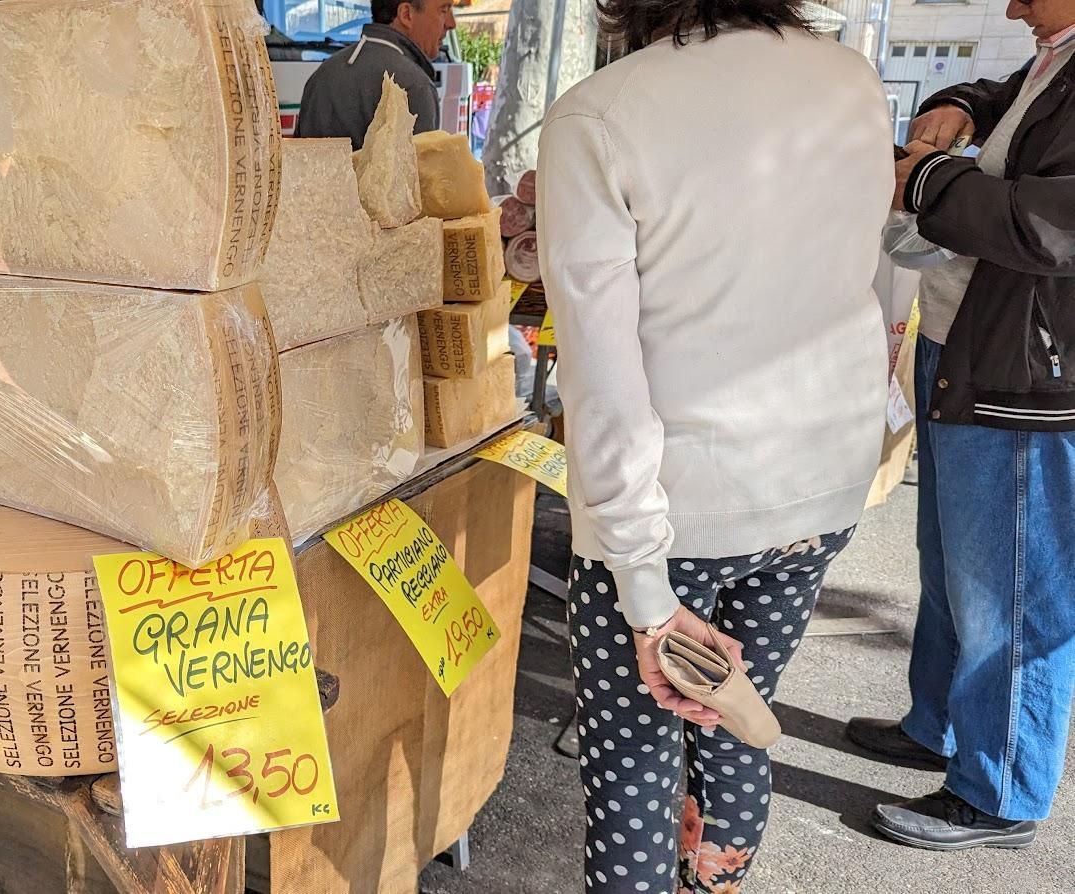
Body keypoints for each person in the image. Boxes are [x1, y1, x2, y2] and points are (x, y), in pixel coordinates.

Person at [535, 0, 892, 888]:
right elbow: (855, 271)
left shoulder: (601, 111)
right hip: (820, 484)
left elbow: (603, 383)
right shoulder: (850, 79)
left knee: (634, 764)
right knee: (736, 716)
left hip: (679, 507)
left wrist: (645, 592)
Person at [846, 0, 1075, 852]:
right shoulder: (1054, 55)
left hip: (1025, 373)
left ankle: (1002, 787)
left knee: (1011, 587)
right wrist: (967, 104)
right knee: (951, 562)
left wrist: (929, 181)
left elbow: (1047, 222)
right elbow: (1012, 101)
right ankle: (936, 722)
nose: (1011, 3)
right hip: (970, 345)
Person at [293, 0, 454, 149]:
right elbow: (422, 177)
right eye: (444, 10)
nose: (451, 23)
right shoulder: (414, 86)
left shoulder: (322, 75)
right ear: (406, 14)